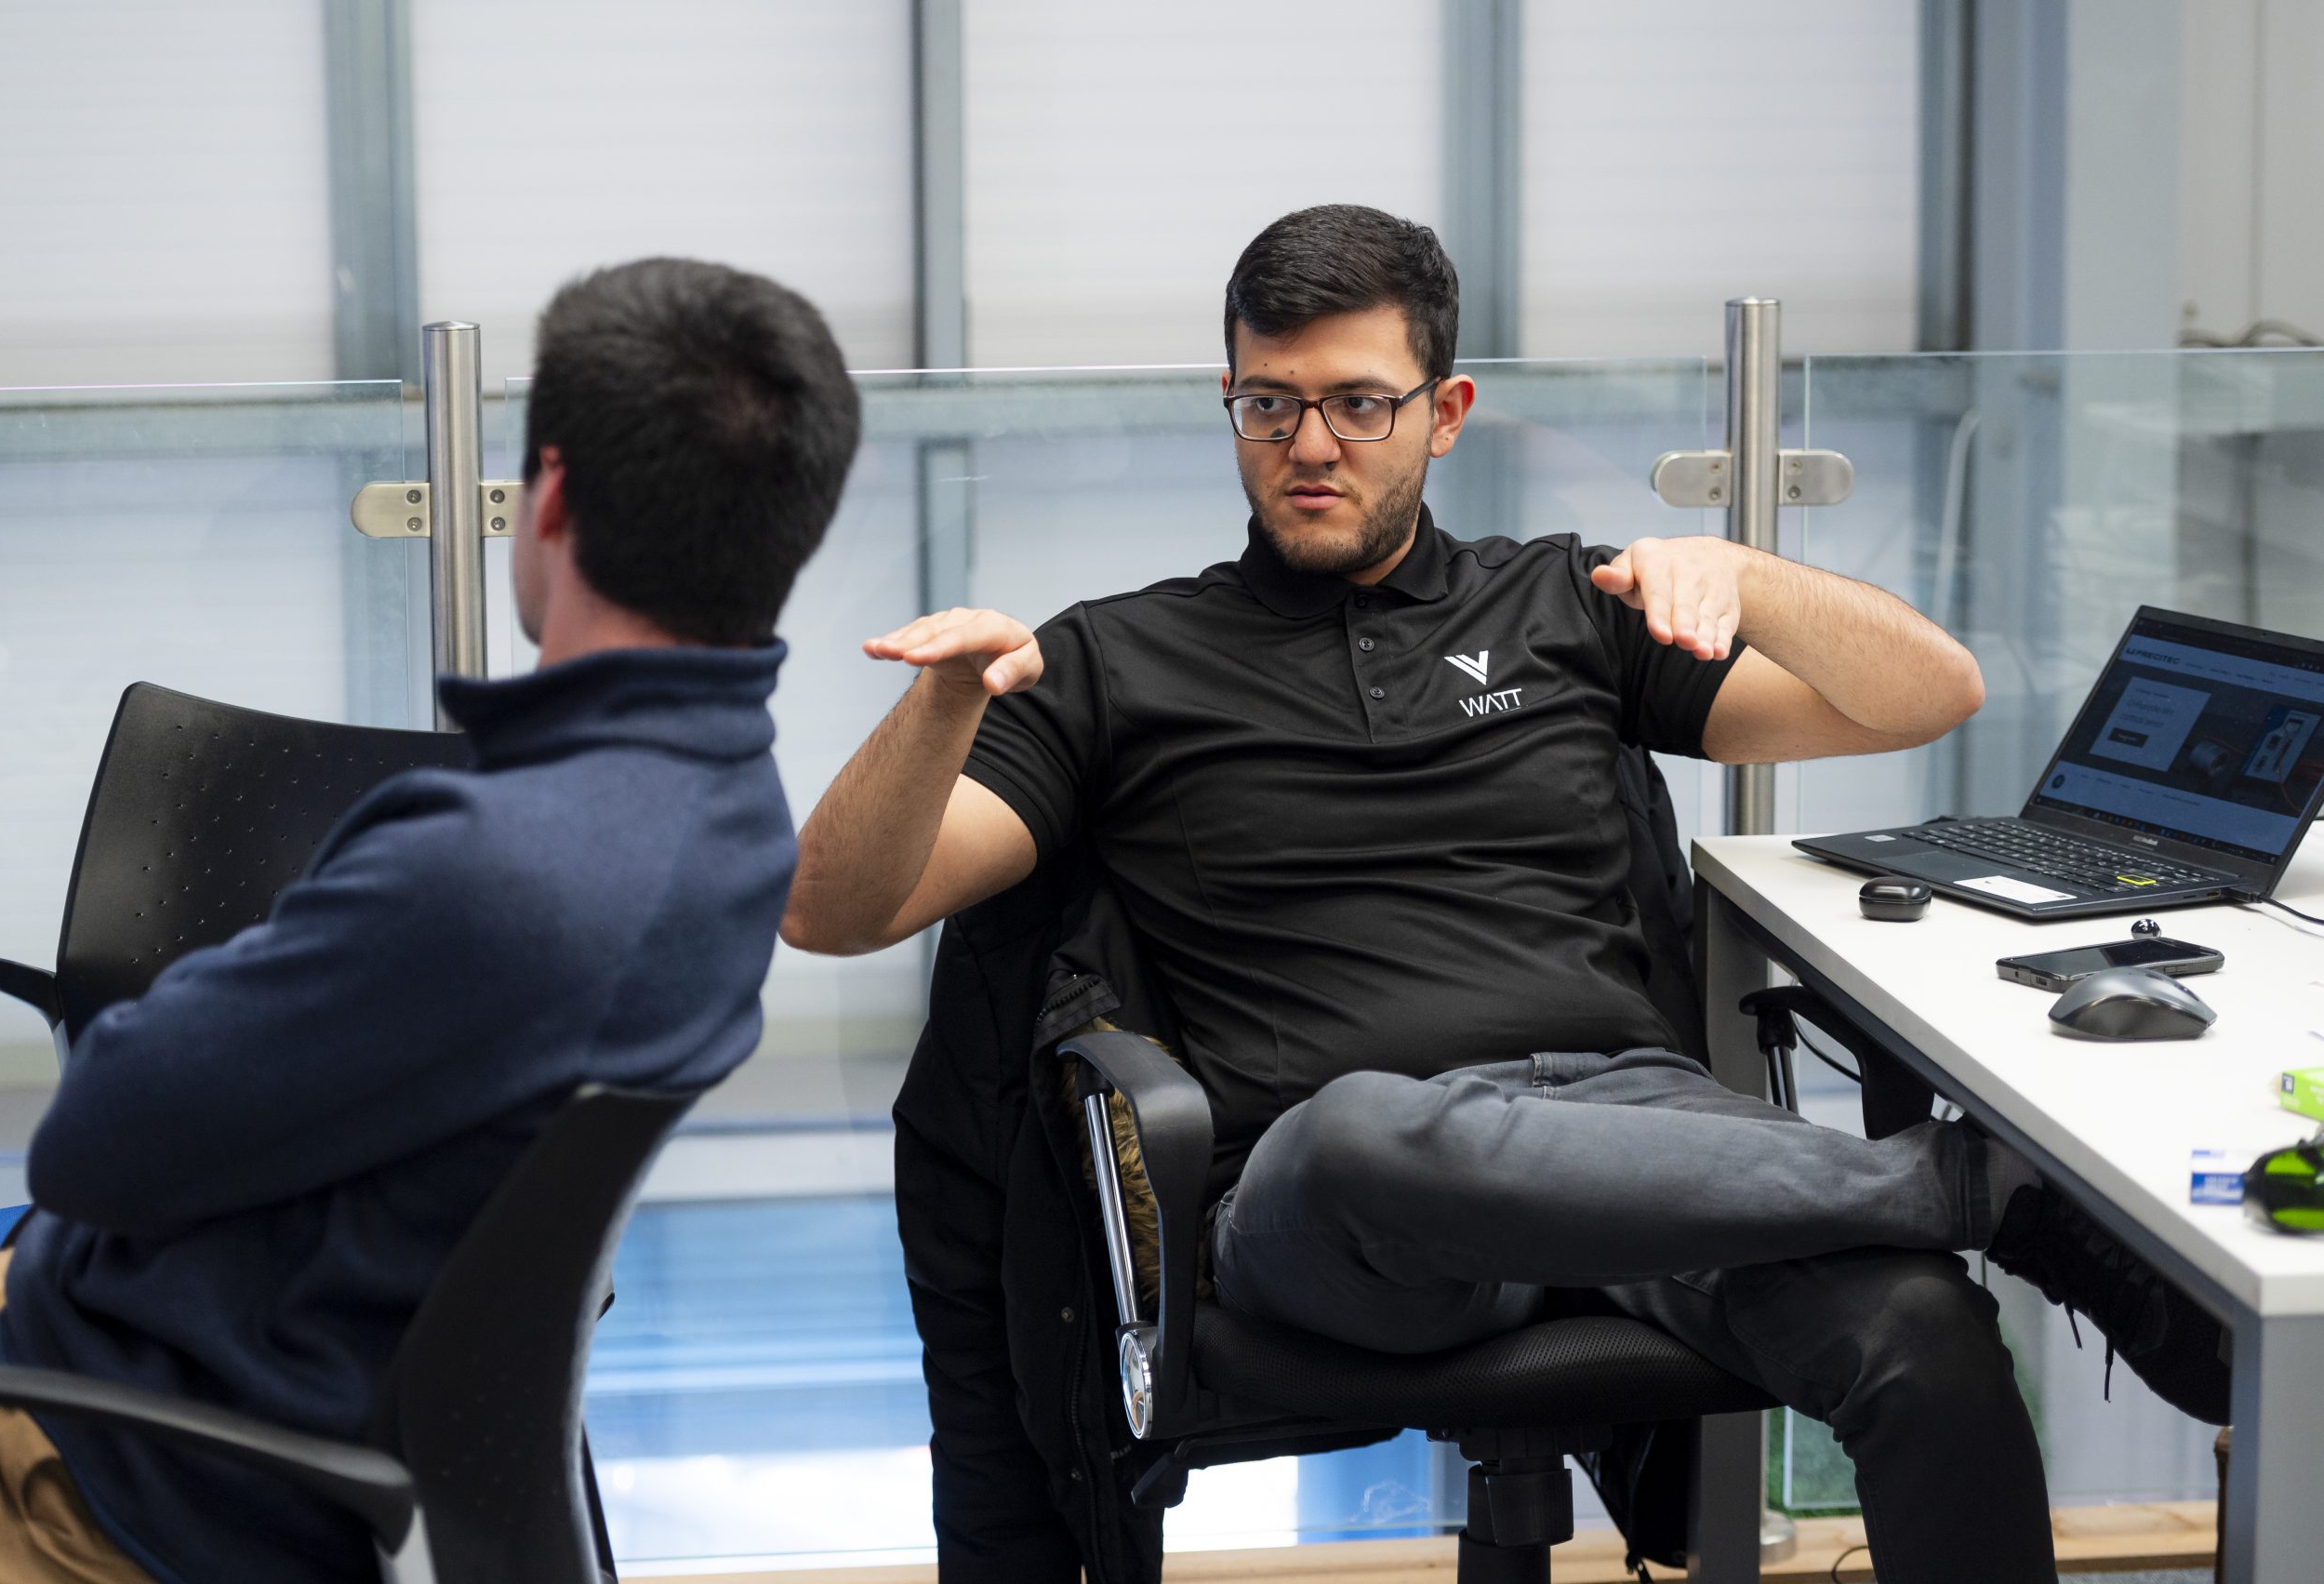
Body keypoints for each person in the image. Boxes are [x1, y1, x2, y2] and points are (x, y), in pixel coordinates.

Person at [783, 206, 2227, 1583]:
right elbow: (836, 912)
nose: (1308, 445)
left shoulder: (1562, 607)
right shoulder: (1114, 661)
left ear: (1446, 410)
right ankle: (1976, 1189)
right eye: (1267, 404)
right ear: (1227, 401)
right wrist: (941, 711)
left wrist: (1746, 573)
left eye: (1358, 403)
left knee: (1929, 1338)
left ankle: (1961, 1211)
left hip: (1642, 1139)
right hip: (1343, 1199)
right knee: (1361, 1132)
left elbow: (1929, 695)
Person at [0, 257, 861, 1584]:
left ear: (548, 494)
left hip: (102, 1465)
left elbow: (86, 1149)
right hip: (219, 1382)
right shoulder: (729, 818)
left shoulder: (491, 872)